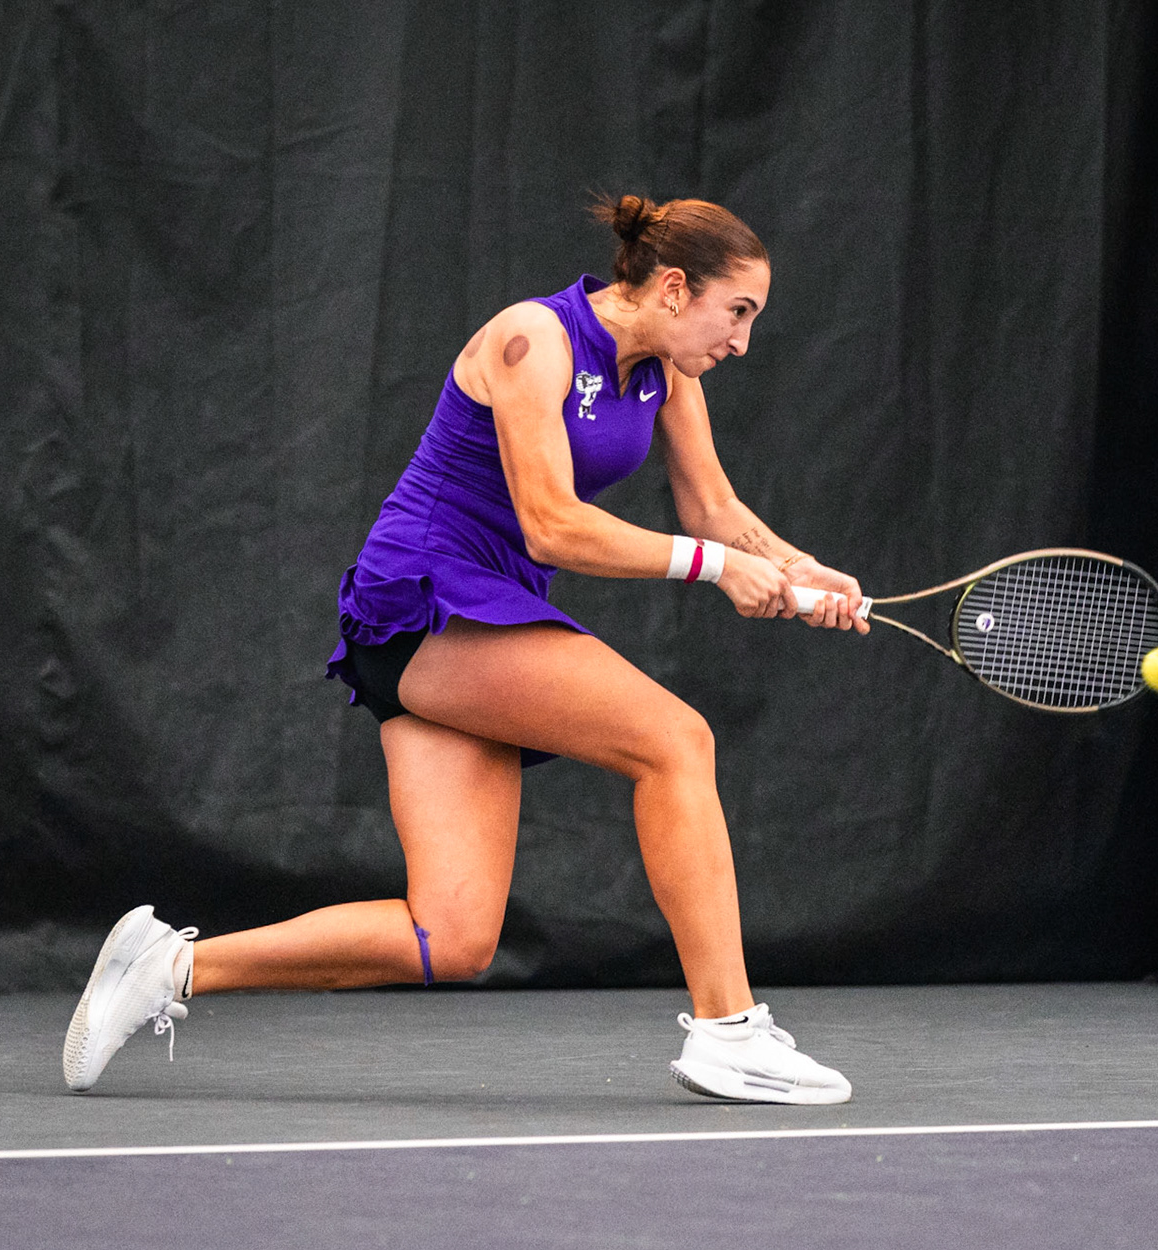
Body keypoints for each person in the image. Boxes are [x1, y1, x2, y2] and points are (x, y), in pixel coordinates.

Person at [62, 196, 867, 1105]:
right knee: (676, 742)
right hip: (425, 599)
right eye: (740, 313)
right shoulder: (534, 339)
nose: (742, 342)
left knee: (451, 937)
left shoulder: (669, 378)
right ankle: (728, 1031)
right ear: (676, 288)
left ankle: (165, 966)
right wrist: (716, 570)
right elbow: (553, 524)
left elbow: (714, 511)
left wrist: (805, 574)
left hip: (487, 618)